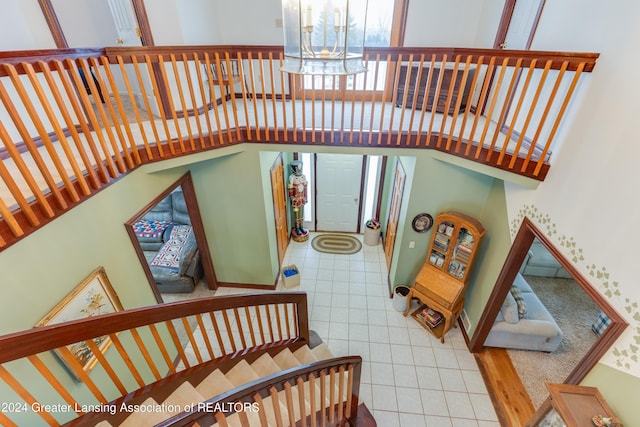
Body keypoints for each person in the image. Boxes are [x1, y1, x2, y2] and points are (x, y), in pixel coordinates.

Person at [287, 160, 309, 242]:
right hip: (296, 199)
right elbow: (290, 190)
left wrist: (306, 197)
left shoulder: (303, 177)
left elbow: (305, 188)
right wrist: (292, 198)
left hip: (302, 198)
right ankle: (297, 228)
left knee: (301, 213)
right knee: (296, 215)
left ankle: (301, 226)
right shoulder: (292, 178)